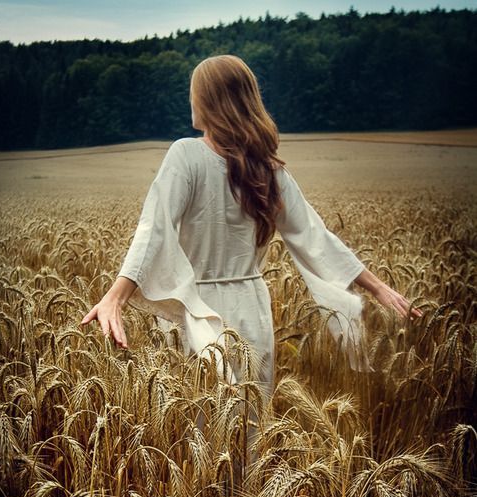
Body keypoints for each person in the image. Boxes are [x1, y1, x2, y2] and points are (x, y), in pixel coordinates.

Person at [81, 55, 421, 392]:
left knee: (198, 431)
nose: (190, 100)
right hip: (253, 310)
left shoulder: (186, 154)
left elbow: (154, 228)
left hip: (196, 310)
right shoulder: (269, 170)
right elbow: (316, 238)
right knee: (249, 424)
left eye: (194, 92)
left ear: (211, 100)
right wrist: (377, 287)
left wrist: (116, 296)